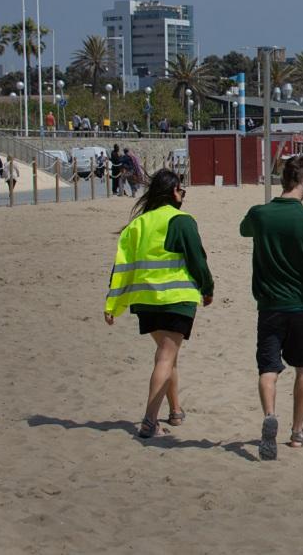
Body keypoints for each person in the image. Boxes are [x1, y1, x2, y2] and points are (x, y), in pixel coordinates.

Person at [104, 169, 214, 439]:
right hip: (176, 299)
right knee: (165, 357)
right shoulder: (181, 221)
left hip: (144, 301)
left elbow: (121, 267)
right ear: (173, 191)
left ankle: (175, 411)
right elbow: (197, 259)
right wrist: (207, 288)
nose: (183, 196)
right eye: (181, 191)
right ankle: (149, 421)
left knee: (168, 355)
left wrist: (113, 303)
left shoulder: (137, 225)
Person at [240, 156, 303, 460]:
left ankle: (269, 415)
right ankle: (296, 433)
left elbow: (245, 230)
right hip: (301, 305)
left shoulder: (260, 214)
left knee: (268, 367)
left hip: (268, 306)